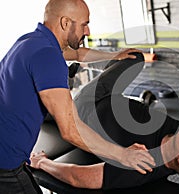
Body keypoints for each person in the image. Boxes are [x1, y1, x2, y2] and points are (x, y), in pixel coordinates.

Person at [0, 0, 154, 193]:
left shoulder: (31, 42)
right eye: (84, 24)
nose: (88, 31)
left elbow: (77, 54)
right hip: (6, 164)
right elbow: (71, 129)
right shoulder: (47, 57)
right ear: (65, 23)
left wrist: (114, 55)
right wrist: (123, 155)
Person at [30, 52, 179, 190]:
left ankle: (63, 83)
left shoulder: (143, 166)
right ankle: (75, 71)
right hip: (110, 95)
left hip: (84, 110)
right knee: (134, 57)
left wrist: (43, 163)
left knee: (39, 105)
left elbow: (78, 177)